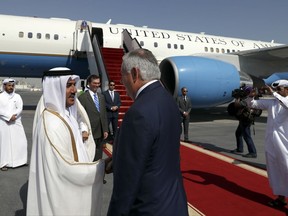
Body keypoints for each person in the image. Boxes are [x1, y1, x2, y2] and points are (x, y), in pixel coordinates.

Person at [107, 49, 188, 215]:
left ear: (135, 73)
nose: (122, 82)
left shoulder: (138, 112)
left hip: (148, 208)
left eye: (123, 75)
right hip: (174, 204)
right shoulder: (168, 101)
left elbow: (127, 183)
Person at [26, 67, 105, 216]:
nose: (74, 90)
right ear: (56, 88)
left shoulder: (66, 115)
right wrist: (101, 167)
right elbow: (66, 169)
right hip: (62, 200)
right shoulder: (52, 124)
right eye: (68, 85)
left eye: (74, 84)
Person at [246, 79, 288, 207]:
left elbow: (286, 104)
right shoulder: (272, 103)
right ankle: (281, 198)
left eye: (279, 89)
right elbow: (253, 104)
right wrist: (250, 96)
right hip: (271, 141)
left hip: (285, 143)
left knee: (287, 168)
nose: (276, 92)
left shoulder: (284, 101)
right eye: (275, 90)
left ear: (287, 89)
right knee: (275, 169)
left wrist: (273, 94)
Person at [78, 74, 109, 161]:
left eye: (98, 83)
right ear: (89, 84)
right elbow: (80, 116)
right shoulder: (83, 97)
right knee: (89, 154)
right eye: (94, 83)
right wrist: (83, 130)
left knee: (99, 155)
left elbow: (103, 114)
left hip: (101, 131)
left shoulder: (101, 97)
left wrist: (105, 129)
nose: (97, 85)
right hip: (90, 131)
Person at [0, 78, 27, 171]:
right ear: (4, 86)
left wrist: (13, 116)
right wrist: (8, 117)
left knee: (20, 142)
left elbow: (20, 108)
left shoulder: (17, 96)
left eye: (12, 86)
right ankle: (3, 163)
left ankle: (20, 161)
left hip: (16, 122)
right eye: (9, 85)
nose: (11, 87)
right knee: (4, 144)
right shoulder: (0, 97)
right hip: (3, 123)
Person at [230, 86, 257, 158]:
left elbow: (237, 105)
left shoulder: (249, 99)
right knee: (238, 133)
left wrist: (237, 98)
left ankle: (253, 152)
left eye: (246, 91)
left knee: (247, 136)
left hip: (246, 120)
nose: (245, 92)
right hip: (243, 119)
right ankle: (240, 148)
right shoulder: (248, 98)